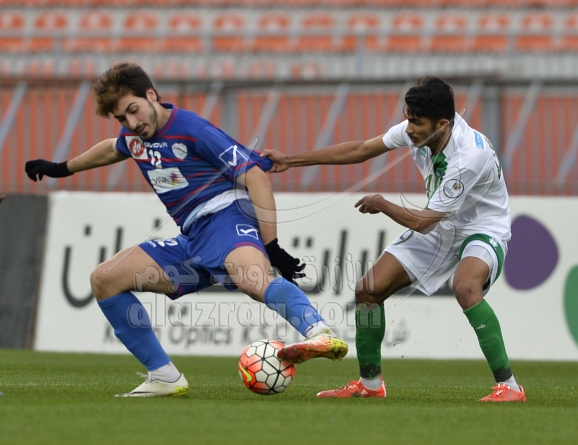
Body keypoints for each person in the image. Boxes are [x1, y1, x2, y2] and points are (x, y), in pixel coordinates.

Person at [25, 62, 347, 398]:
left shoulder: (192, 128)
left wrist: (273, 245)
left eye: (133, 110)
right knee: (105, 279)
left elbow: (256, 177)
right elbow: (112, 148)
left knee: (254, 280)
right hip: (192, 238)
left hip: (225, 218)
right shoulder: (135, 136)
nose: (131, 123)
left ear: (152, 95)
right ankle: (164, 376)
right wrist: (61, 168)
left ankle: (319, 332)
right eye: (122, 118)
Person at [262, 76, 526, 402]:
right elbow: (360, 150)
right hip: (441, 221)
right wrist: (291, 160)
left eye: (417, 123)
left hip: (482, 226)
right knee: (368, 289)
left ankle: (510, 387)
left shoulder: (467, 159)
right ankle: (370, 384)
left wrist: (383, 204)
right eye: (408, 119)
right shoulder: (421, 130)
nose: (409, 128)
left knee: (466, 287)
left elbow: (424, 222)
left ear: (442, 124)